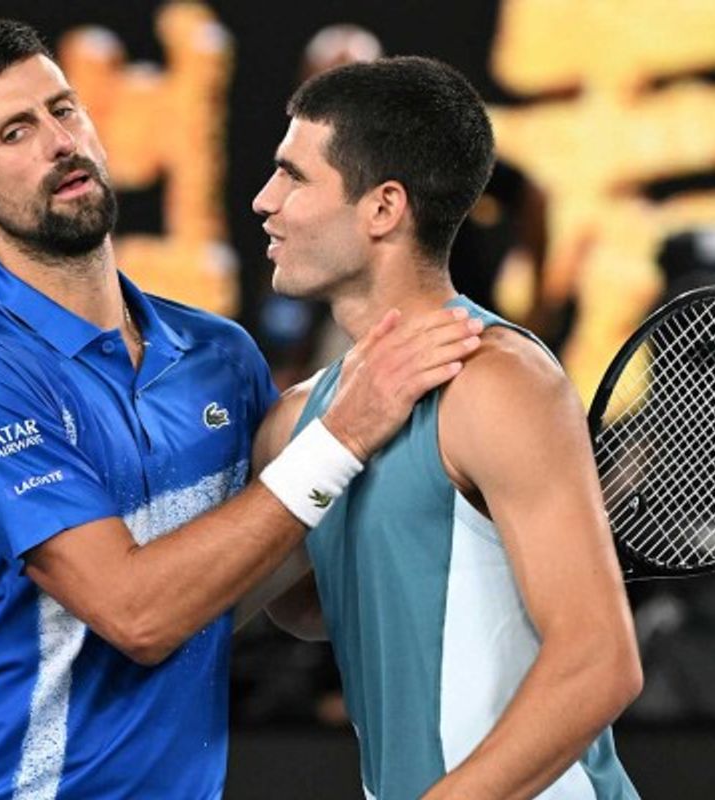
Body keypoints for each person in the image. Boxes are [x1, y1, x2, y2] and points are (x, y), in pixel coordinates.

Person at [0, 21, 482, 798]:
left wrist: (472, 533)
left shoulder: (221, 357)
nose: (59, 143)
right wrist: (342, 431)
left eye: (65, 110)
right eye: (15, 132)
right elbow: (139, 617)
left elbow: (281, 589)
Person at [251, 57, 642, 799]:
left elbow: (600, 661)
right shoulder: (298, 421)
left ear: (384, 208)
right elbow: (313, 610)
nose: (265, 201)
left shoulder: (498, 382)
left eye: (294, 177)